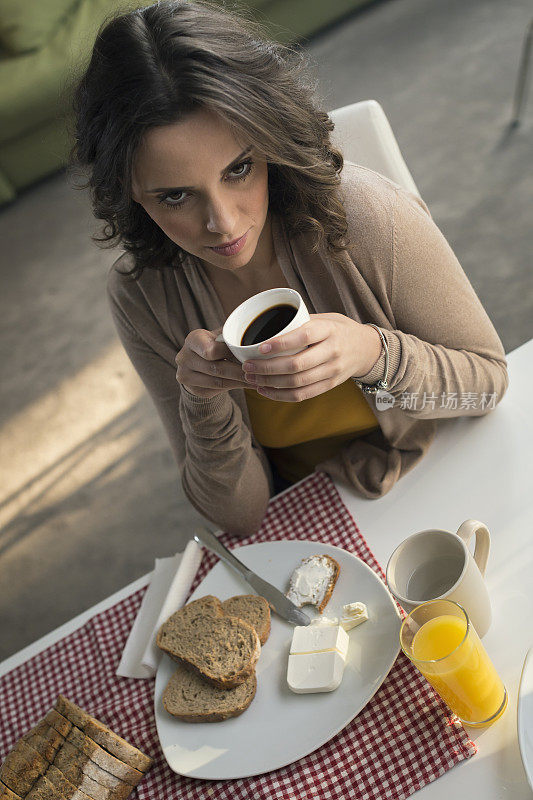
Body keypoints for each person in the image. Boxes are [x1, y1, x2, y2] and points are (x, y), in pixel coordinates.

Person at [69, 0, 508, 537]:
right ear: (131, 196)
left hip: (443, 478)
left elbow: (485, 386)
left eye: (239, 170)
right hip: (307, 520)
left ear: (270, 143)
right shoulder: (143, 296)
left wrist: (371, 353)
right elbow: (238, 515)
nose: (223, 224)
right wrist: (202, 404)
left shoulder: (363, 217)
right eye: (176, 196)